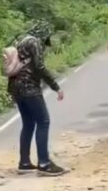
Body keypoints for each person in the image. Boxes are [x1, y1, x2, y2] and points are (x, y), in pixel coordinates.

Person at [8, 20, 66, 176]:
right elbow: (40, 66)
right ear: (44, 34)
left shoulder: (21, 41)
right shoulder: (35, 43)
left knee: (28, 123)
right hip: (29, 87)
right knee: (43, 121)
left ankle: (24, 162)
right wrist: (56, 86)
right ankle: (44, 163)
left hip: (15, 88)